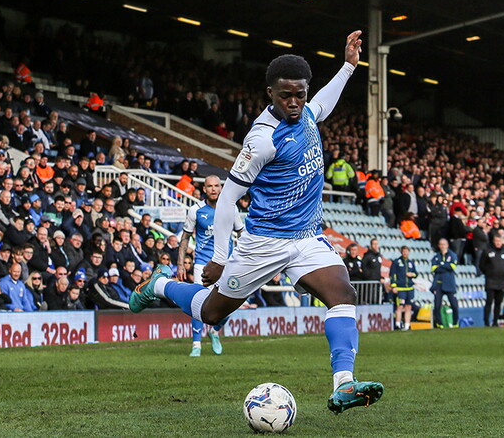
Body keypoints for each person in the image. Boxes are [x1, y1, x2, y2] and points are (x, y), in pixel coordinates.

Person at [128, 33, 383, 413]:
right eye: (285, 96)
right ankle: (160, 285)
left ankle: (344, 384)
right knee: (212, 313)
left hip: (307, 238)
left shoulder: (308, 114)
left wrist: (348, 66)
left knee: (342, 294)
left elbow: (323, 101)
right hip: (263, 242)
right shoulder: (262, 140)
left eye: (299, 94)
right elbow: (229, 197)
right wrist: (218, 255)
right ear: (270, 93)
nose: (293, 102)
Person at [177, 174, 243, 357]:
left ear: (221, 188)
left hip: (226, 265)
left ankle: (214, 331)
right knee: (198, 302)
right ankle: (196, 344)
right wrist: (180, 265)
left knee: (231, 303)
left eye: (216, 185)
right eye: (209, 186)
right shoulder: (195, 210)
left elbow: (242, 233)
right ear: (204, 189)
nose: (213, 189)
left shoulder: (231, 209)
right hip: (202, 263)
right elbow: (185, 238)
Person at [479, 232, 504, 327]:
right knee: (489, 301)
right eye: (496, 241)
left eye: (500, 241)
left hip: (502, 281)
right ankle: (486, 322)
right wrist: (488, 272)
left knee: (498, 302)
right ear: (493, 241)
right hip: (491, 280)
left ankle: (495, 322)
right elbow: (482, 265)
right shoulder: (487, 251)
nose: (498, 243)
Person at [430, 238, 458, 328]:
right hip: (439, 283)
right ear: (439, 246)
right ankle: (439, 323)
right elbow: (433, 268)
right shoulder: (436, 256)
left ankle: (455, 323)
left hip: (449, 283)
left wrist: (441, 265)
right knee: (437, 305)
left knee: (454, 305)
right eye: (441, 244)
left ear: (447, 245)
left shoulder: (452, 255)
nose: (442, 246)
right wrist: (446, 265)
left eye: (444, 244)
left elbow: (452, 266)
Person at [389, 245, 417, 331]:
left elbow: (416, 273)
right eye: (404, 251)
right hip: (400, 288)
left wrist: (412, 274)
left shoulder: (411, 263)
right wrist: (394, 286)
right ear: (401, 252)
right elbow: (392, 274)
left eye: (406, 251)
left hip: (409, 288)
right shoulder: (397, 262)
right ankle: (397, 324)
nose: (405, 253)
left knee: (408, 307)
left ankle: (407, 325)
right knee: (400, 306)